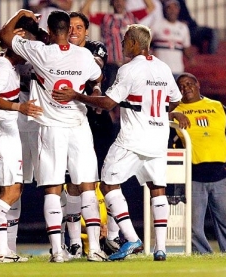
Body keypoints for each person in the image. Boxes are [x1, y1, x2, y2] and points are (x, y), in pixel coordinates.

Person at [52, 23, 190, 261]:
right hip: (158, 137)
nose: (123, 44)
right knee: (158, 189)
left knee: (107, 184)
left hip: (133, 139)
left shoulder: (129, 70)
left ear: (135, 44)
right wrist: (156, 113)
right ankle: (160, 249)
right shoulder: (163, 68)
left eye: (125, 40)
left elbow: (107, 103)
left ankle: (131, 238)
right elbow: (175, 100)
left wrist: (75, 95)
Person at [0, 9, 107, 263]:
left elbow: (4, 35)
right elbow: (98, 76)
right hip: (78, 126)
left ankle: (58, 251)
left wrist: (21, 13)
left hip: (50, 128)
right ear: (69, 30)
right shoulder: (83, 55)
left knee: (53, 189)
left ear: (49, 30)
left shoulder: (40, 52)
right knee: (87, 186)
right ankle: (94, 251)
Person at [0, 16, 45, 257]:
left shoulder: (5, 64)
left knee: (1, 193)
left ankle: (4, 251)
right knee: (14, 191)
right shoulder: (3, 66)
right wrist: (19, 108)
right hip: (3, 134)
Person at [64, 11, 123, 259]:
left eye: (79, 27)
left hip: (97, 120)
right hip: (69, 121)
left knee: (108, 177)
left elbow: (93, 70)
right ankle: (76, 242)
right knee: (73, 182)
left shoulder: (95, 48)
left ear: (87, 31)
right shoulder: (55, 50)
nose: (74, 31)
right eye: (69, 27)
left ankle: (112, 236)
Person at [173, 72, 226, 254]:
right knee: (193, 226)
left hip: (222, 175)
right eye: (181, 86)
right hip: (193, 176)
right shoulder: (175, 110)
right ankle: (204, 259)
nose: (185, 88)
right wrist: (173, 113)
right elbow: (155, 119)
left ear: (198, 85)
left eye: (189, 83)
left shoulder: (217, 106)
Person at [81, 0, 138, 93]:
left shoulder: (133, 17)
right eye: (116, 1)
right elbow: (83, 14)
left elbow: (151, 7)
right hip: (112, 66)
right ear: (112, 3)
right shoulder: (105, 18)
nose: (119, 3)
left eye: (122, 1)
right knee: (109, 96)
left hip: (130, 65)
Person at [151, 0, 194, 79]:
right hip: (160, 71)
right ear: (165, 9)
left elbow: (186, 48)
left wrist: (191, 59)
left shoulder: (183, 28)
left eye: (175, 8)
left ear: (178, 10)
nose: (172, 10)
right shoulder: (157, 24)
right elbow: (145, 41)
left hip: (177, 71)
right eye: (169, 8)